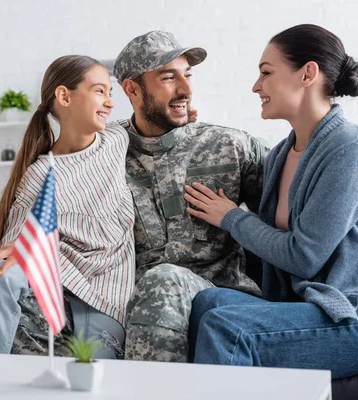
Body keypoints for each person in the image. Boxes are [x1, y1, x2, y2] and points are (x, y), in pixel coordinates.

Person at [186, 24, 358, 378]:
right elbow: (268, 248)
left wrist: (232, 218)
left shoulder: (349, 148)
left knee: (227, 326)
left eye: (266, 73)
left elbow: (304, 256)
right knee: (206, 303)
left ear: (307, 73)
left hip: (347, 314)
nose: (256, 86)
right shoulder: (282, 153)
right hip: (301, 308)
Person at [113, 31, 269, 362]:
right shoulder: (107, 152)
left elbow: (291, 219)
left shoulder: (230, 145)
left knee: (163, 279)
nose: (186, 89)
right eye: (169, 78)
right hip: (134, 296)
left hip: (222, 293)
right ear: (131, 89)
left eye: (188, 75)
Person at [0, 55, 135, 358]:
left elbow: (155, 120)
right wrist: (20, 244)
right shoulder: (39, 174)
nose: (110, 102)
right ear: (64, 96)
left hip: (105, 302)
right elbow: (17, 241)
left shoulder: (117, 138)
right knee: (1, 274)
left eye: (110, 93)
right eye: (100, 91)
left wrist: (185, 116)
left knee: (89, 379)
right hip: (55, 293)